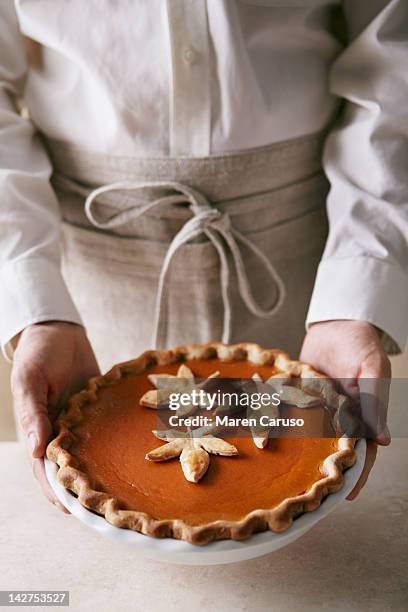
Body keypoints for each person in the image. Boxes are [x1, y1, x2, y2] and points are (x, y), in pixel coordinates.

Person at [1, 1, 406, 512]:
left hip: (309, 289)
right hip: (94, 305)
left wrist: (355, 295)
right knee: (108, 457)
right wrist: (37, 308)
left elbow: (393, 55)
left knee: (302, 467)